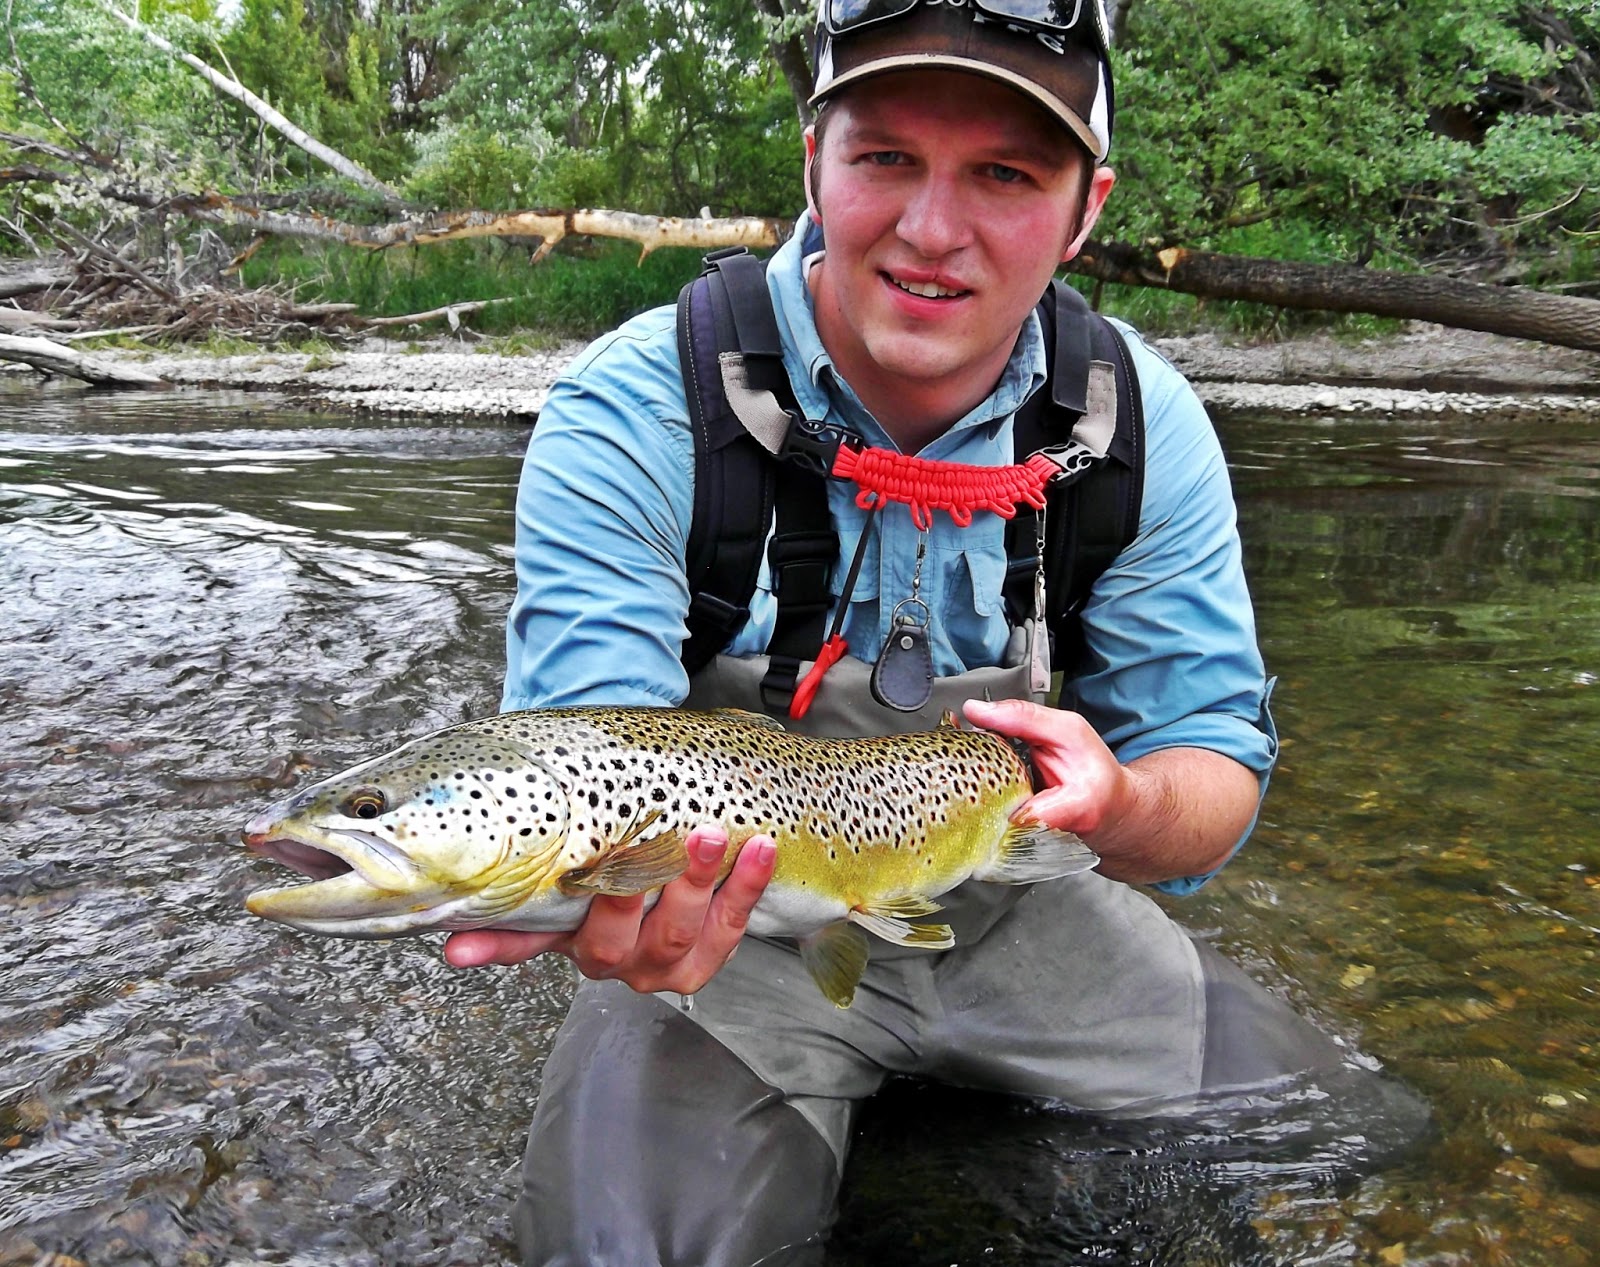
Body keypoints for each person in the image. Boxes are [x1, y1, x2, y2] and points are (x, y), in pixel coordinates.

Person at [445, 2, 1364, 1263]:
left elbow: (1210, 775)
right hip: (737, 945)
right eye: (885, 157)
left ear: (1085, 208)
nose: (933, 232)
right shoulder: (637, 409)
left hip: (1021, 904)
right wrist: (610, 899)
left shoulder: (1134, 426)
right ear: (811, 160)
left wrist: (1121, 805)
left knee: (1343, 1146)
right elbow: (577, 753)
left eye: (1004, 173)